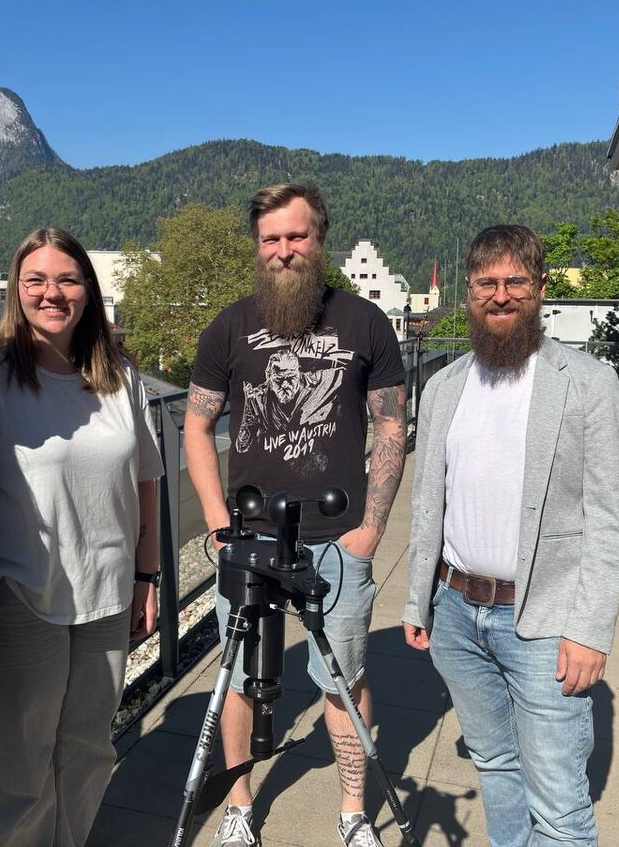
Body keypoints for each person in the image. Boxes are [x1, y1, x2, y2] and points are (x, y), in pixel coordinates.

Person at [185, 183, 407, 847]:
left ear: (320, 238)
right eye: (271, 239)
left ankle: (351, 811)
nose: (284, 250)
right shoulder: (228, 326)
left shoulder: (364, 321)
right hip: (249, 540)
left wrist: (371, 530)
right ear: (259, 247)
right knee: (238, 681)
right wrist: (218, 524)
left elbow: (391, 424)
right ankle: (239, 803)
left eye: (297, 236)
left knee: (344, 676)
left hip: (338, 539)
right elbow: (197, 428)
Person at [402, 225, 619, 846]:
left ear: (540, 289)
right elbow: (430, 505)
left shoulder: (587, 383)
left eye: (515, 282)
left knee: (559, 805)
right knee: (497, 766)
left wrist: (589, 630)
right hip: (454, 613)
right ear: (469, 292)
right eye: (486, 284)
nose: (500, 296)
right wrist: (418, 598)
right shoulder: (446, 385)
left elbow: (608, 519)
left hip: (546, 622)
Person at [0, 228, 163, 847]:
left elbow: (145, 479)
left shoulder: (120, 376)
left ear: (88, 291)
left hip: (106, 593)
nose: (53, 293)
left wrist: (147, 577)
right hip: (20, 597)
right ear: (16, 290)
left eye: (67, 279)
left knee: (88, 752)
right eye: (36, 280)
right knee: (18, 768)